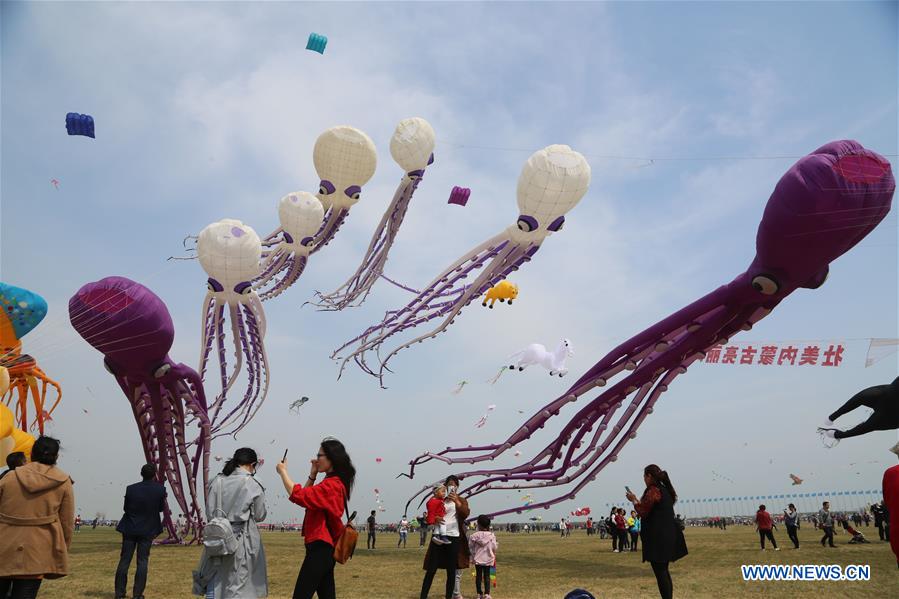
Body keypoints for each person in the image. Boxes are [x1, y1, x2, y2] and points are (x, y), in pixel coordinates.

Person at [276, 438, 354, 599]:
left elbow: (298, 495)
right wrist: (312, 474)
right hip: (323, 549)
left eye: (320, 455)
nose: (316, 459)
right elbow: (307, 500)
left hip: (321, 549)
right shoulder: (331, 483)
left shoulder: (331, 485)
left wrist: (283, 472)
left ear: (331, 458)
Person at [0, 436, 74, 598]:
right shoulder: (63, 481)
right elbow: (67, 522)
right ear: (56, 456)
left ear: (32, 453)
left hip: (4, 545)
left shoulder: (10, 477)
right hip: (38, 549)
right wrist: (62, 548)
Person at [192, 448, 268, 598]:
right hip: (242, 538)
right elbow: (259, 515)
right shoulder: (253, 482)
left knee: (215, 577)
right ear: (252, 464)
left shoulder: (216, 481)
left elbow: (209, 512)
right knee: (238, 582)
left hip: (217, 536)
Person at [626, 464, 687, 599]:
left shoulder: (654, 490)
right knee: (664, 571)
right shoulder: (665, 490)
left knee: (661, 573)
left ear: (649, 476)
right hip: (668, 535)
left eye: (644, 476)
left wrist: (633, 500)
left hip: (658, 537)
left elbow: (643, 511)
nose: (644, 479)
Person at [114, 463, 166, 599]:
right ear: (155, 474)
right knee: (142, 561)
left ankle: (119, 594)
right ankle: (137, 594)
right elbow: (160, 508)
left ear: (141, 474)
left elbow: (126, 508)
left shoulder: (130, 489)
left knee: (124, 560)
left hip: (130, 527)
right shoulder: (160, 489)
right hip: (148, 528)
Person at [420, 475, 471, 599]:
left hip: (453, 537)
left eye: (454, 484)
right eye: (449, 484)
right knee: (431, 568)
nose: (451, 487)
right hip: (438, 536)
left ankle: (449, 596)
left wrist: (456, 502)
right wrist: (432, 518)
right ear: (445, 486)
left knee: (451, 569)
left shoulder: (461, 500)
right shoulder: (439, 499)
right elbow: (429, 515)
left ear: (457, 487)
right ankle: (423, 596)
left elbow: (465, 514)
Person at [468, 515, 497, 599]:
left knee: (479, 577)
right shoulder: (491, 535)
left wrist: (473, 556)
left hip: (478, 558)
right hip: (488, 558)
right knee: (487, 576)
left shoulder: (474, 536)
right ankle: (487, 594)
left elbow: (470, 547)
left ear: (478, 524)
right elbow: (494, 547)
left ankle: (479, 593)